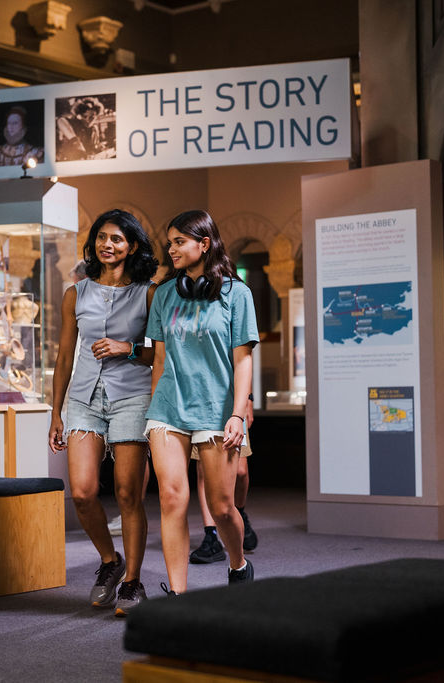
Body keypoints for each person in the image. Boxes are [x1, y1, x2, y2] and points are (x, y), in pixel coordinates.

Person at [49, 209, 158, 616]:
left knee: (130, 493)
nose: (107, 245)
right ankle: (111, 563)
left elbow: (159, 354)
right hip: (83, 399)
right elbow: (64, 357)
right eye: (101, 237)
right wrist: (55, 412)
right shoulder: (75, 293)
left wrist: (126, 348)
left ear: (131, 245)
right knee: (81, 492)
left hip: (132, 397)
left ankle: (133, 583)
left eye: (116, 238)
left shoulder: (149, 293)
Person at [146, 209, 259, 594]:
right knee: (172, 497)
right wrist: (151, 410)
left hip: (216, 408)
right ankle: (178, 594)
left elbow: (243, 359)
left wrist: (238, 414)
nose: (171, 248)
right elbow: (159, 360)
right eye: (170, 242)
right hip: (168, 409)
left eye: (179, 242)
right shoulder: (163, 294)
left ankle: (238, 563)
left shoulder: (237, 293)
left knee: (223, 507)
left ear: (204, 244)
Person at [189, 395, 258, 563]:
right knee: (204, 471)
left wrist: (248, 399)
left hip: (232, 402)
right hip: (201, 401)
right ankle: (211, 535)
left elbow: (243, 367)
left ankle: (239, 514)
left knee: (241, 472)